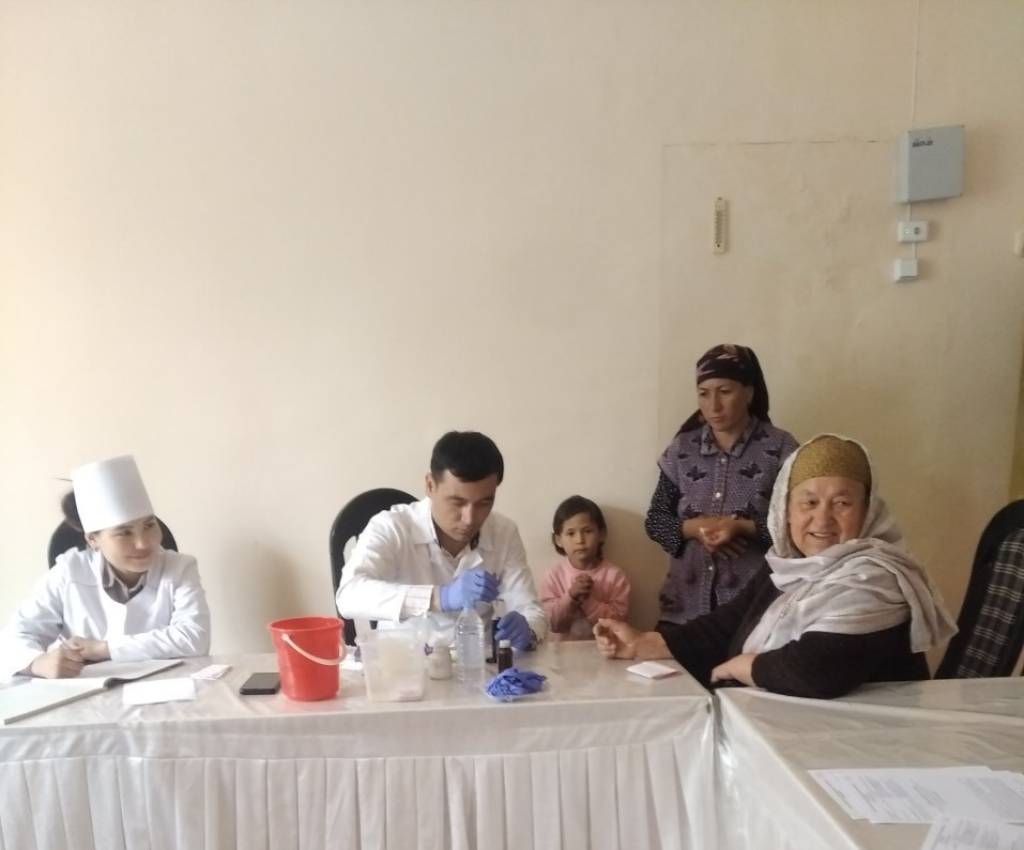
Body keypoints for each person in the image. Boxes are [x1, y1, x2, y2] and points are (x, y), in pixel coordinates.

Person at [599, 435, 957, 699]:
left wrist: (740, 666)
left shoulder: (875, 578)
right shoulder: (789, 565)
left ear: (868, 511)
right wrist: (643, 642)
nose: (822, 519)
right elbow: (725, 625)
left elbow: (815, 670)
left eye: (842, 503)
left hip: (865, 753)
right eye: (809, 503)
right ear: (785, 510)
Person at [1, 455, 211, 679]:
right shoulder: (68, 572)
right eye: (124, 532)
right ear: (93, 539)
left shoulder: (180, 567)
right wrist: (36, 663)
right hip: (83, 691)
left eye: (149, 525)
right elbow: (15, 637)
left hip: (164, 689)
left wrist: (103, 648)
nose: (143, 543)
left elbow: (194, 638)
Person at [336, 431, 547, 649]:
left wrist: (528, 630)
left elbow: (529, 608)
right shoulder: (392, 527)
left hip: (478, 661)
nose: (470, 519)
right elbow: (349, 595)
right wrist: (439, 598)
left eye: (484, 503)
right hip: (406, 660)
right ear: (430, 485)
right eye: (457, 502)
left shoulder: (503, 532)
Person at [645, 344, 798, 630]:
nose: (713, 406)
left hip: (755, 614)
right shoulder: (681, 449)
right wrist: (695, 528)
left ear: (749, 392)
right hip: (682, 612)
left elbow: (798, 528)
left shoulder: (781, 449)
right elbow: (656, 521)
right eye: (704, 393)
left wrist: (742, 528)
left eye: (724, 391)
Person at [539, 495, 631, 640]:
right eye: (571, 533)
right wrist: (571, 596)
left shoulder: (615, 576)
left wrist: (588, 601)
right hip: (563, 653)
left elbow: (618, 624)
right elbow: (552, 624)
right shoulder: (553, 576)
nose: (580, 540)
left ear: (602, 534)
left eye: (587, 531)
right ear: (558, 540)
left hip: (605, 651)